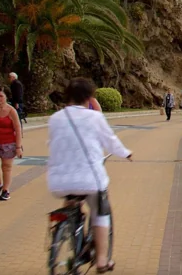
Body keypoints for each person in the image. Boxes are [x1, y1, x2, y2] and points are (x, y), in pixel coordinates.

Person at [47, 78, 132, 273]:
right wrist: (126, 153)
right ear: (90, 97)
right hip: (89, 180)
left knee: (70, 202)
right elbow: (110, 141)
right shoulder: (94, 118)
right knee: (100, 214)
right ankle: (102, 261)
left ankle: (65, 231)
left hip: (58, 181)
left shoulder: (55, 118)